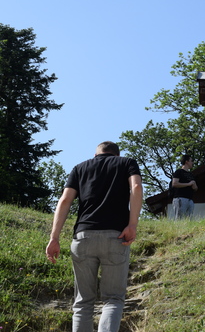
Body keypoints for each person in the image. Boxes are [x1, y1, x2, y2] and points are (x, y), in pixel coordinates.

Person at [45, 141, 143, 332]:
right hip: (116, 237)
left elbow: (65, 200)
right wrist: (132, 224)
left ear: (96, 154)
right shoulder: (126, 163)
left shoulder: (80, 168)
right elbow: (136, 188)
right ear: (116, 155)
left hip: (83, 238)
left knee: (83, 302)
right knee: (113, 299)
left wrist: (54, 237)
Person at [171, 154, 198, 219]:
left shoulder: (191, 174)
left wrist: (194, 186)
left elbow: (196, 188)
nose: (192, 163)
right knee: (180, 219)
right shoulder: (179, 172)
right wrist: (188, 184)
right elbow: (174, 184)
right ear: (186, 162)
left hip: (190, 200)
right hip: (180, 199)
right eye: (191, 161)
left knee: (189, 220)